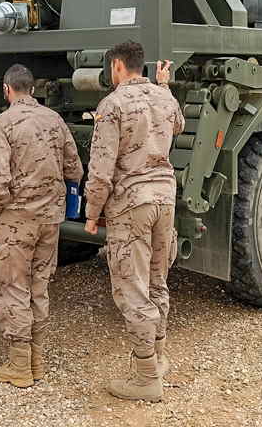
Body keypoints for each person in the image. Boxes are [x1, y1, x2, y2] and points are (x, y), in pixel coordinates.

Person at [84, 42, 184, 403]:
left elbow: (101, 168)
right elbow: (179, 122)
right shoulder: (163, 98)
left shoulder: (112, 105)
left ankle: (145, 379)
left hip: (132, 203)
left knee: (133, 288)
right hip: (164, 198)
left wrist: (92, 214)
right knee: (157, 280)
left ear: (117, 66)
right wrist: (165, 85)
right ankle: (157, 359)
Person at [0, 64, 82, 388]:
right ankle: (36, 360)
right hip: (49, 220)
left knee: (12, 287)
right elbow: (75, 169)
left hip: (14, 220)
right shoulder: (55, 120)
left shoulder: (3, 124)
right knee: (39, 287)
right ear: (33, 89)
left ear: (7, 90)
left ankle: (18, 365)